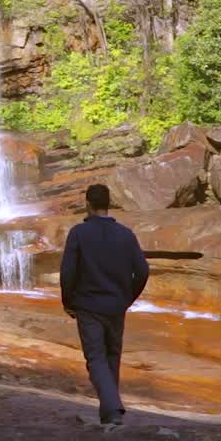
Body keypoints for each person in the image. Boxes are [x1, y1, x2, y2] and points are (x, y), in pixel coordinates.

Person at [59, 183, 149, 427]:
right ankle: (110, 414)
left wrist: (68, 302)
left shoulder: (78, 233)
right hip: (116, 307)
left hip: (88, 306)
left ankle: (112, 412)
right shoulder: (126, 235)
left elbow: (67, 272)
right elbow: (142, 271)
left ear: (87, 204)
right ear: (108, 204)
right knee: (112, 357)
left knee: (96, 359)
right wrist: (127, 299)